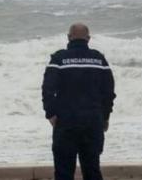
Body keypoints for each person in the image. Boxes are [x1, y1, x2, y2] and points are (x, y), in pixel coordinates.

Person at [42, 23, 116, 180]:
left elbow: (47, 89)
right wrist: (105, 116)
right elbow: (108, 92)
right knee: (92, 169)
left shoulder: (59, 59)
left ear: (69, 37)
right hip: (92, 121)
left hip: (66, 121)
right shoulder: (99, 59)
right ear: (88, 39)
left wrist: (51, 113)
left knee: (63, 170)